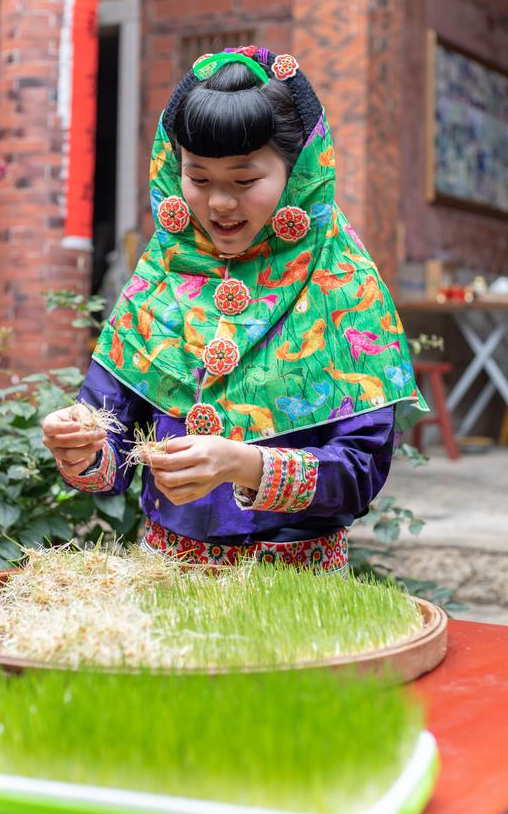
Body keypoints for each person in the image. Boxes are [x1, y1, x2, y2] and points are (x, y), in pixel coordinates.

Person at [42, 46, 427, 572]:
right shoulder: (159, 283)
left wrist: (245, 465)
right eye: (198, 179)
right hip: (166, 581)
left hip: (299, 590)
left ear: (298, 174)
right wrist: (80, 446)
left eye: (244, 181)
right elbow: (111, 453)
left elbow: (360, 472)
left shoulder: (343, 288)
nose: (219, 203)